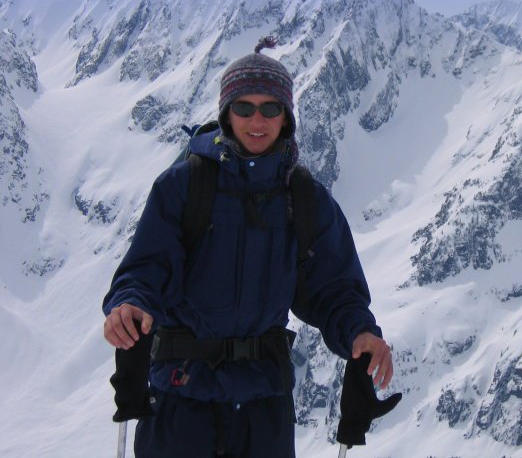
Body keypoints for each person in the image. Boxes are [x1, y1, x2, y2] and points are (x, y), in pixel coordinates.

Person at [103, 36, 393, 457]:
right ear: (226, 114)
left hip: (263, 406)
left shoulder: (306, 200)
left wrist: (360, 331)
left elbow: (334, 289)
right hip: (183, 399)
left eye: (271, 108)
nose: (257, 120)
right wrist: (129, 303)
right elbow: (147, 268)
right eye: (244, 107)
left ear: (286, 117)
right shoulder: (184, 187)